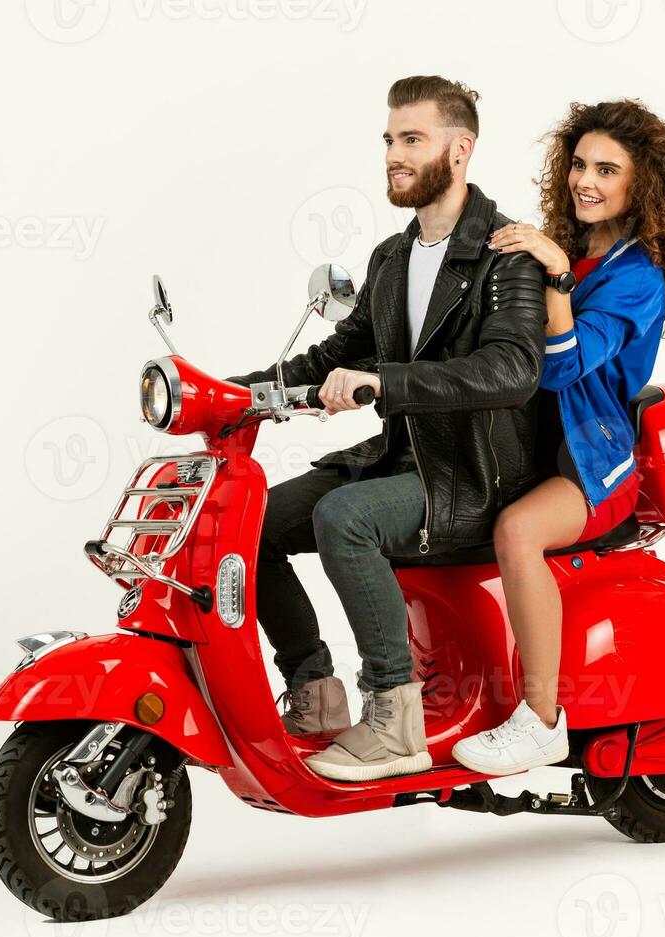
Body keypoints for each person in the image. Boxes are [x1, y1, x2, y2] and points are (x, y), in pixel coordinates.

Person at [228, 75, 547, 782]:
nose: (394, 155)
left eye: (412, 139)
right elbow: (337, 352)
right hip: (398, 460)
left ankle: (393, 722)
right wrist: (226, 391)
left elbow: (511, 370)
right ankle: (314, 692)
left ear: (459, 149)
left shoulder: (507, 255)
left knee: (345, 517)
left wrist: (386, 382)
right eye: (389, 140)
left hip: (470, 477)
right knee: (246, 525)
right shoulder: (392, 257)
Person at [452, 99, 665, 776]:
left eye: (607, 168)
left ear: (642, 185)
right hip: (524, 446)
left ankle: (539, 719)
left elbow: (564, 364)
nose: (585, 181)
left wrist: (554, 276)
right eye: (578, 163)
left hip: (591, 463)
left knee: (516, 532)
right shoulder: (564, 247)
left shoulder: (635, 279)